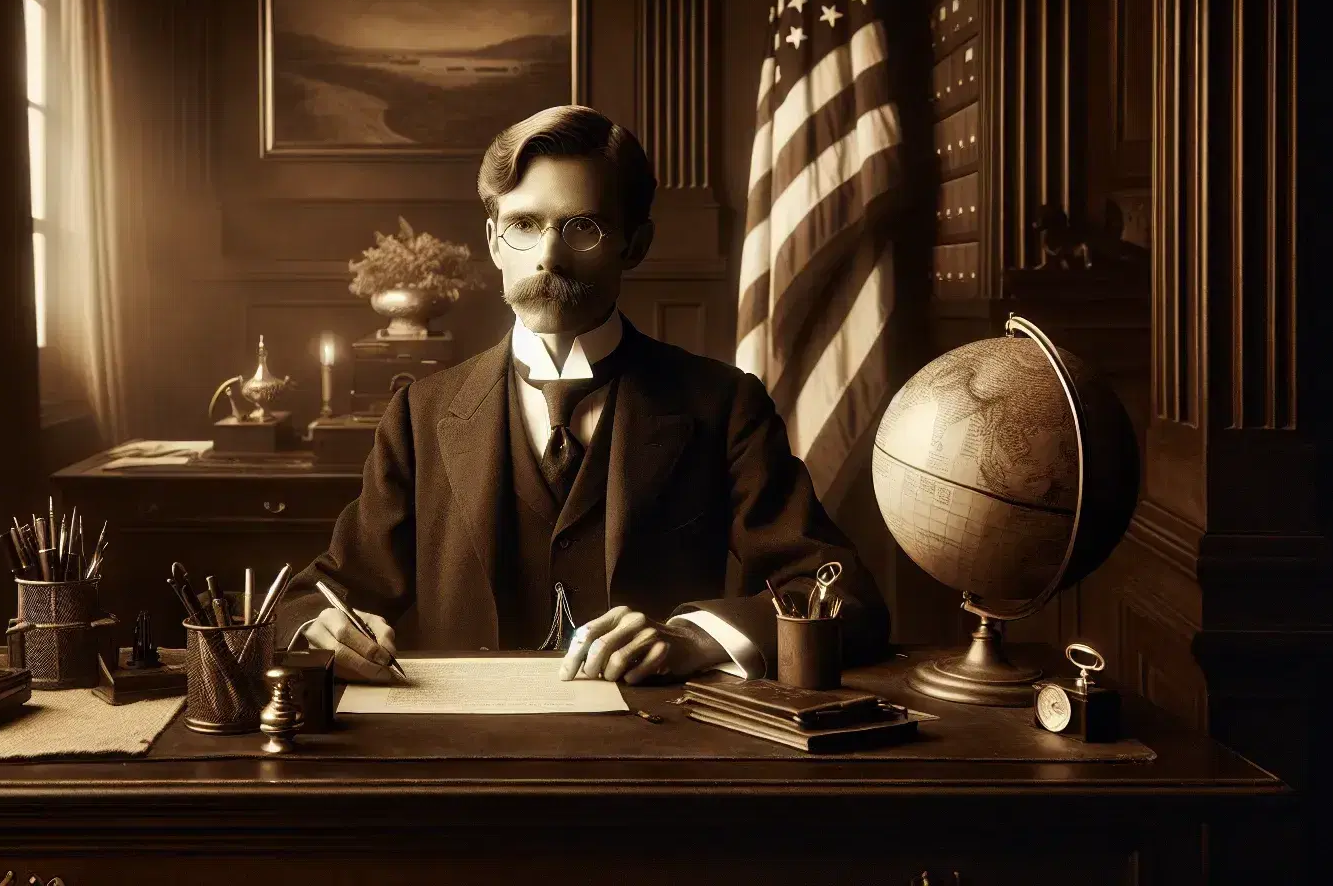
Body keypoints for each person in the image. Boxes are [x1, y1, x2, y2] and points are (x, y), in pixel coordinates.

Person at [279, 104, 889, 684]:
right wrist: (320, 626)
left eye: (584, 227)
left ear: (636, 243)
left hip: (655, 752)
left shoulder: (722, 405)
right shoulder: (420, 413)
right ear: (494, 241)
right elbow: (323, 595)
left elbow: (844, 595)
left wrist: (696, 638)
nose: (548, 256)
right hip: (464, 752)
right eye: (524, 225)